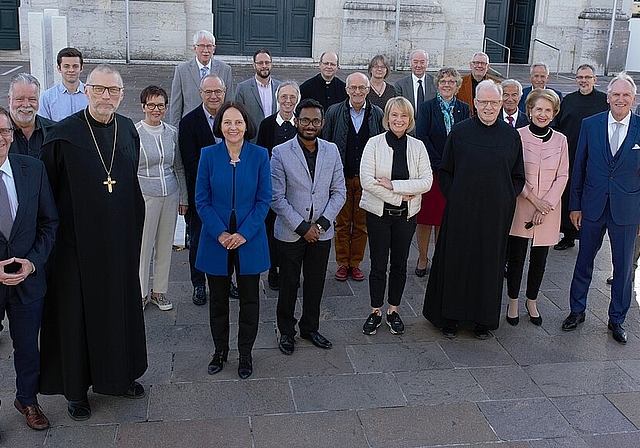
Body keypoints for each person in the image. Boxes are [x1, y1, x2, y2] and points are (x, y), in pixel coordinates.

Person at [39, 64, 148, 421]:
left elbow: (129, 182)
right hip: (76, 250)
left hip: (118, 243)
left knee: (119, 308)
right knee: (77, 317)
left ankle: (120, 376)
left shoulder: (128, 129)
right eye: (100, 89)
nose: (106, 97)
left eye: (113, 91)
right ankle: (76, 392)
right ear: (86, 91)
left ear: (121, 95)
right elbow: (48, 196)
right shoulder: (63, 135)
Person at [422, 80, 525, 339]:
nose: (488, 107)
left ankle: (483, 320)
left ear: (501, 104)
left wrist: (503, 199)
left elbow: (517, 176)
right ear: (475, 104)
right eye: (483, 102)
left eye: (494, 102)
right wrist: (456, 197)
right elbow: (446, 171)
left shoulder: (511, 136)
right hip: (461, 212)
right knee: (456, 262)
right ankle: (451, 317)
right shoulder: (459, 132)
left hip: (494, 215)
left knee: (488, 266)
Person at [562, 73, 640, 345]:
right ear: (608, 98)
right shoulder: (590, 125)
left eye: (626, 95)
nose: (620, 99)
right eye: (616, 94)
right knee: (584, 261)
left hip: (627, 210)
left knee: (623, 268)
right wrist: (575, 205)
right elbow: (579, 167)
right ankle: (577, 310)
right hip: (592, 206)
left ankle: (617, 318)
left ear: (633, 99)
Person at [196, 101, 271, 379]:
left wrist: (243, 234)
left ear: (246, 125)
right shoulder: (208, 155)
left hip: (248, 238)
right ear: (220, 126)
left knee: (250, 299)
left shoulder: (260, 155)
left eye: (238, 122)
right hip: (217, 238)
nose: (233, 127)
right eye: (227, 122)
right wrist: (221, 233)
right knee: (218, 299)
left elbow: (264, 200)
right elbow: (201, 200)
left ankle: (245, 353)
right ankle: (220, 350)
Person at [271, 98, 346, 355]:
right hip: (291, 232)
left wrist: (322, 224)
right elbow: (276, 197)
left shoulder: (332, 150)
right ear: (295, 121)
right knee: (289, 284)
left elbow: (339, 192)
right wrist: (303, 227)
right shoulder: (280, 153)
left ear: (322, 123)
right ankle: (286, 332)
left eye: (315, 121)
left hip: (322, 233)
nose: (310, 125)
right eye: (305, 120)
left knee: (315, 283)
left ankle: (310, 327)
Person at [0, 106, 58, 432]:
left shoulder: (32, 169)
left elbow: (49, 223)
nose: (1, 139)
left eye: (4, 132)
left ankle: (27, 399)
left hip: (27, 278)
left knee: (27, 345)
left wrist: (33, 262)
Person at [360, 97, 432, 335]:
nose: (398, 120)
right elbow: (367, 182)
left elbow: (427, 181)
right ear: (387, 117)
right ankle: (375, 310)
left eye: (404, 116)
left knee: (400, 265)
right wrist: (398, 196)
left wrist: (394, 185)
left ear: (410, 120)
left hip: (406, 217)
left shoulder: (418, 146)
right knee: (378, 264)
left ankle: (393, 310)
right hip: (379, 215)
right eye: (394, 115)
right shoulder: (373, 144)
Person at [505, 89, 569, 327]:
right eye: (538, 109)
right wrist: (534, 201)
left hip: (548, 212)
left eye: (548, 110)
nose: (542, 114)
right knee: (517, 257)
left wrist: (545, 207)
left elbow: (562, 176)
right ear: (529, 110)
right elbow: (514, 173)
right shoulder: (517, 136)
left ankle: (531, 300)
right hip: (523, 204)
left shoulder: (561, 140)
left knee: (539, 259)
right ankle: (512, 300)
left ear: (554, 114)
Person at [179, 74, 238, 305]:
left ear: (224, 93)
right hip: (201, 196)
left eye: (218, 92)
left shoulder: (233, 119)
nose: (214, 96)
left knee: (229, 239)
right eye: (209, 92)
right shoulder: (189, 122)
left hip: (230, 197)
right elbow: (190, 162)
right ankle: (198, 284)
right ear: (201, 93)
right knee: (198, 240)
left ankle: (226, 280)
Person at [322, 72, 384, 281]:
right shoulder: (334, 112)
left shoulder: (377, 113)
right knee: (341, 222)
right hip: (342, 176)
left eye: (361, 88)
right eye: (353, 88)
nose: (357, 92)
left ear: (368, 89)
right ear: (347, 90)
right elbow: (327, 143)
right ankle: (342, 263)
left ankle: (355, 263)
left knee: (361, 224)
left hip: (367, 178)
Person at [136, 85, 188, 311]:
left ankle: (159, 291)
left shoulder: (172, 132)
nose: (156, 110)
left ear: (166, 107)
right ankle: (140, 292)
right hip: (145, 194)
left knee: (165, 244)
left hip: (170, 193)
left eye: (160, 105)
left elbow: (179, 166)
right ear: (143, 106)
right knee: (143, 246)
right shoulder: (134, 132)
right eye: (151, 105)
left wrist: (183, 197)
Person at [414, 68, 470, 277]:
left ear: (457, 86)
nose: (447, 85)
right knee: (426, 217)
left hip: (454, 172)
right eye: (443, 81)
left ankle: (439, 257)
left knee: (444, 218)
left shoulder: (464, 109)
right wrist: (441, 162)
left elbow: (465, 138)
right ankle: (422, 257)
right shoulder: (427, 108)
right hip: (431, 171)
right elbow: (422, 137)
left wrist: (454, 164)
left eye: (451, 81)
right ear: (437, 84)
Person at [552, 64, 608, 251]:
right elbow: (557, 125)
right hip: (570, 156)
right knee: (569, 196)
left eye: (587, 77)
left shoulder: (604, 101)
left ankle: (589, 235)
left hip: (595, 159)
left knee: (590, 196)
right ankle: (568, 235)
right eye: (580, 77)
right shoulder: (567, 100)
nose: (583, 80)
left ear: (595, 79)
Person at [256, 81, 300, 290]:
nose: (288, 101)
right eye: (284, 97)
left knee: (295, 230)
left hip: (297, 189)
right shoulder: (266, 125)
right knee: (273, 230)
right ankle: (273, 269)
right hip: (272, 189)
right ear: (277, 99)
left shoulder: (301, 124)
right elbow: (261, 156)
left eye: (292, 97)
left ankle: (291, 270)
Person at [169, 30, 233, 126]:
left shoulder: (225, 69)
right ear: (195, 48)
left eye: (209, 46)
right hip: (190, 126)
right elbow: (176, 106)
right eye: (202, 46)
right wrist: (175, 131)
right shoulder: (182, 70)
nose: (205, 50)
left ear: (214, 48)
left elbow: (229, 101)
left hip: (217, 126)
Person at [234, 49, 280, 142]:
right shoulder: (243, 88)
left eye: (267, 62)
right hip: (253, 140)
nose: (264, 66)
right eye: (260, 63)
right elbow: (238, 116)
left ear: (271, 64)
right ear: (254, 65)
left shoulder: (280, 88)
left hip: (276, 139)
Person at [7, 73, 54, 159]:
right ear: (9, 100)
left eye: (32, 99)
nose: (26, 105)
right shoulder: (2, 133)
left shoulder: (54, 131)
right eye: (20, 99)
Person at [39, 47, 88, 121]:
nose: (71, 70)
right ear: (59, 68)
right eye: (66, 66)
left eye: (75, 66)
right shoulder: (47, 97)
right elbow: (44, 126)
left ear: (81, 68)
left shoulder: (91, 94)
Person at [394, 50, 436, 118]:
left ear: (427, 63)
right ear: (410, 63)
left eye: (422, 62)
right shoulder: (400, 85)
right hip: (409, 124)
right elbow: (399, 108)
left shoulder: (435, 82)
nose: (418, 65)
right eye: (415, 62)